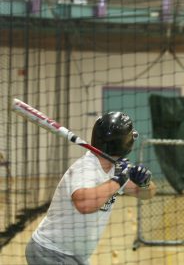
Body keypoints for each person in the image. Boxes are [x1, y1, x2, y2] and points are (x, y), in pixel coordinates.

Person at [25, 112, 157, 265]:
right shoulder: (85, 169)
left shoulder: (115, 169)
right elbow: (85, 204)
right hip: (51, 253)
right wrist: (118, 180)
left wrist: (144, 182)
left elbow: (147, 194)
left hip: (76, 256)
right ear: (125, 143)